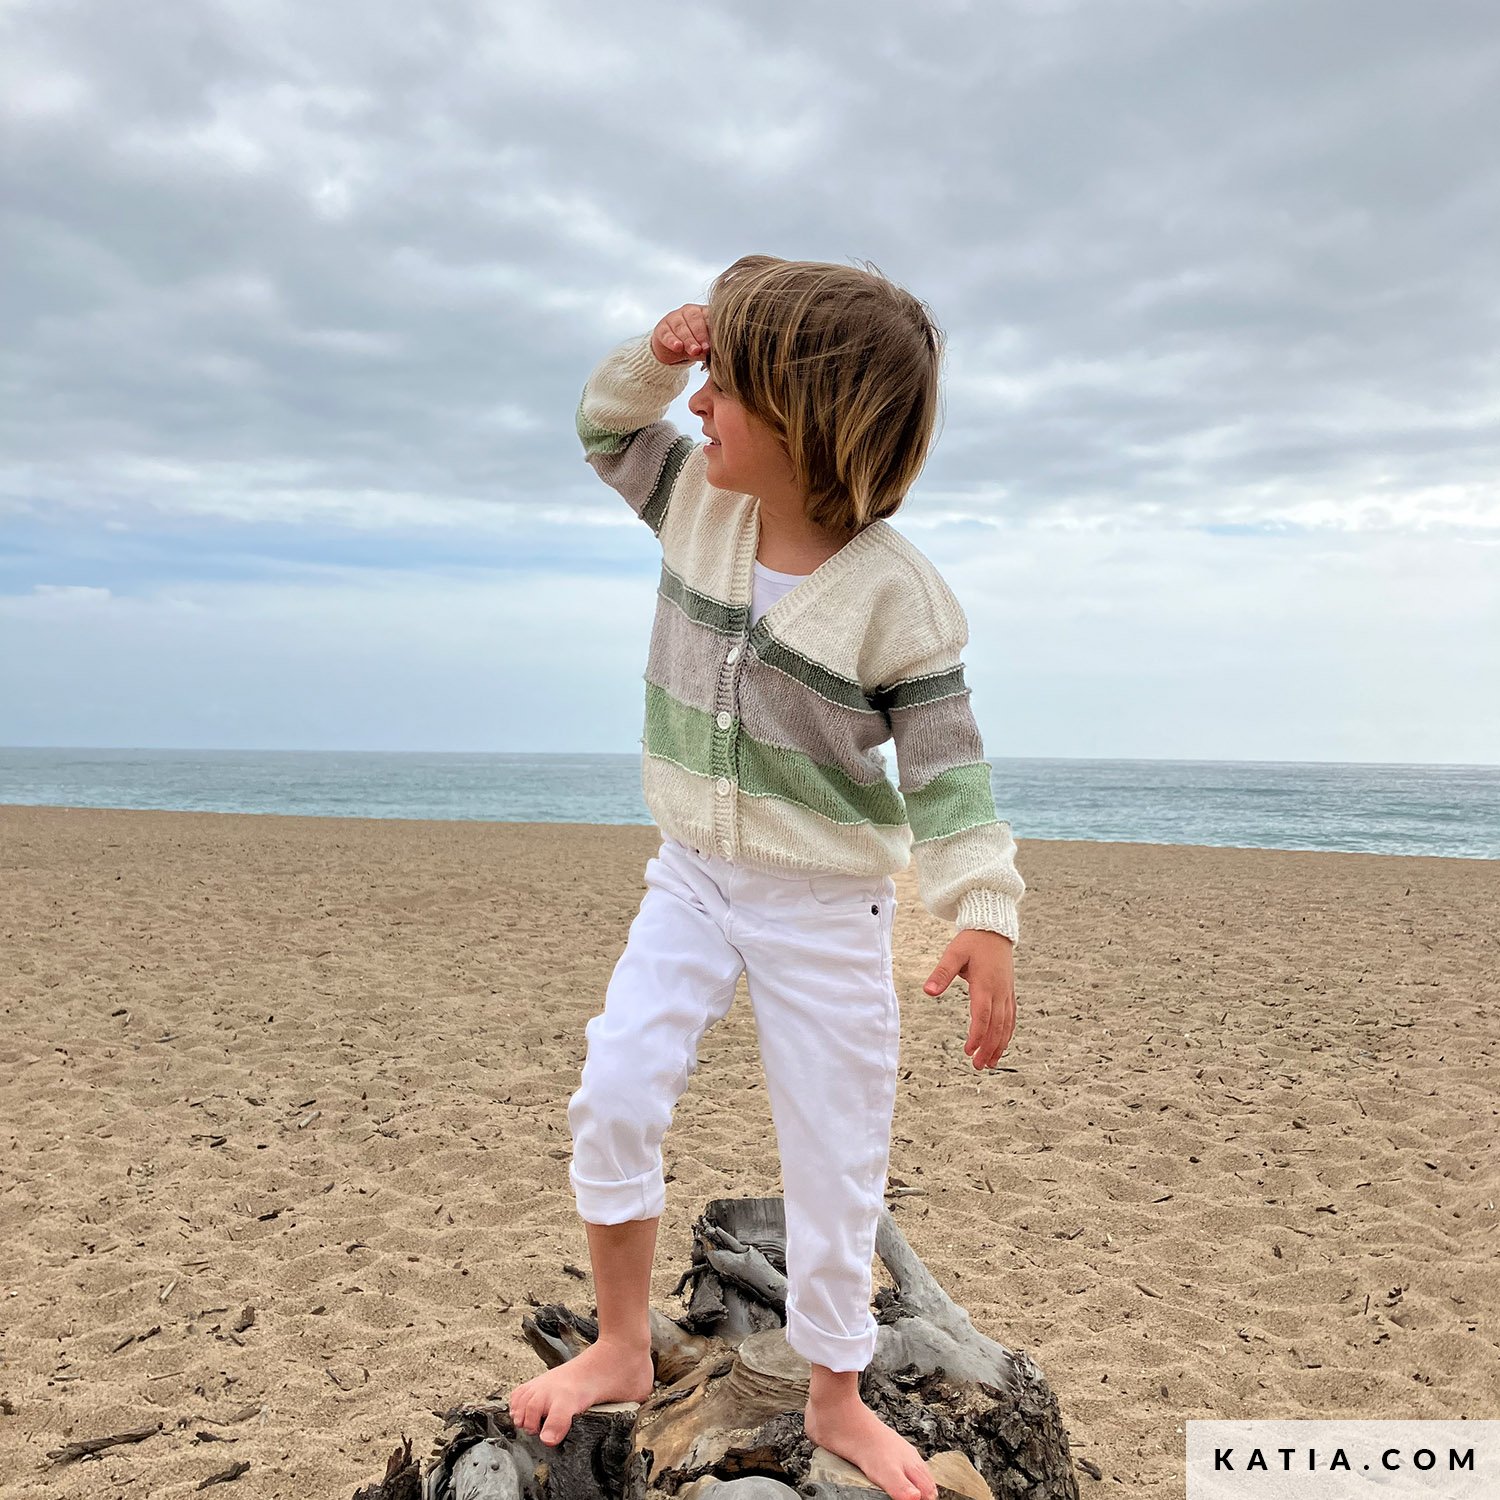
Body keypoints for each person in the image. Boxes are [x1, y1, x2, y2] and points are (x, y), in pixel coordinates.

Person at [508, 255, 1025, 1500]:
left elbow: (949, 776)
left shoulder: (899, 599)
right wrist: (659, 353)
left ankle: (836, 1394)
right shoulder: (697, 501)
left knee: (836, 1155)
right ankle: (622, 1344)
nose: (698, 406)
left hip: (827, 906)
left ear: (807, 418)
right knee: (615, 1089)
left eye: (725, 386)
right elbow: (603, 427)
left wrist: (983, 912)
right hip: (690, 876)